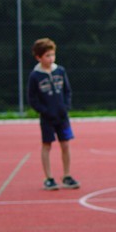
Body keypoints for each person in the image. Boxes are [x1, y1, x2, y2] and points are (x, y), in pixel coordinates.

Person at [27, 37, 80, 191]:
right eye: (47, 56)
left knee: (66, 144)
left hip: (62, 117)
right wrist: (44, 111)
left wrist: (66, 107)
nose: (51, 58)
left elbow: (67, 91)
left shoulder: (60, 71)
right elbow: (32, 98)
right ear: (38, 57)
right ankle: (49, 178)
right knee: (47, 145)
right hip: (47, 118)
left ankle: (67, 175)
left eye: (52, 55)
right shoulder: (35, 76)